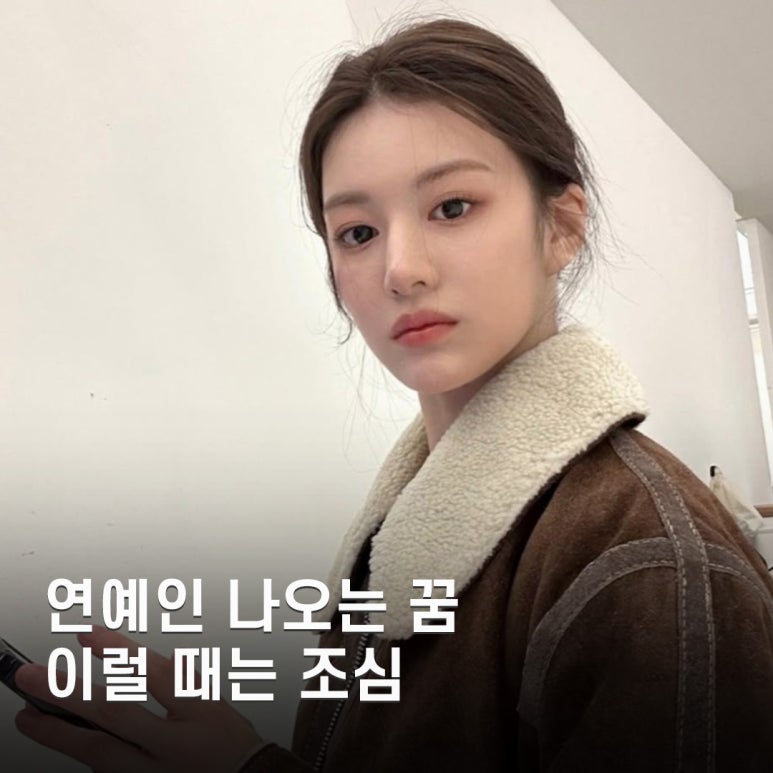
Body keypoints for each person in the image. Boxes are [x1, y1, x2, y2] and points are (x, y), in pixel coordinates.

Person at [13, 16, 773, 773]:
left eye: (452, 207)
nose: (400, 269)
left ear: (561, 227)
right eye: (356, 232)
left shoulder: (646, 563)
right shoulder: (403, 534)